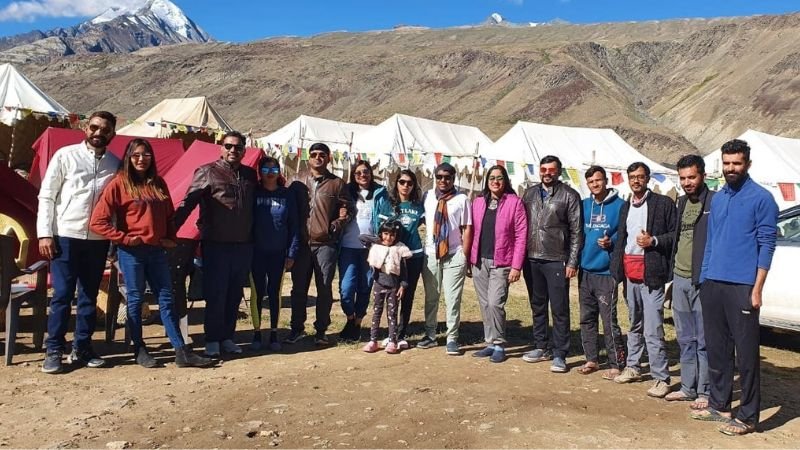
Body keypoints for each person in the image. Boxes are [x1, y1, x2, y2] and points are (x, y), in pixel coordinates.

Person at [89, 138, 212, 368]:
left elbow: (169, 216)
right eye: (136, 155)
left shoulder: (158, 183)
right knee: (135, 300)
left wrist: (170, 238)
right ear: (128, 158)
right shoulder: (119, 184)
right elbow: (98, 221)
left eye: (146, 155)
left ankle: (180, 351)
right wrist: (124, 238)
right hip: (131, 252)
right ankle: (139, 348)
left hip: (156, 251)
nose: (141, 159)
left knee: (166, 298)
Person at [691, 139, 778, 436]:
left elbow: (767, 245)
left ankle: (749, 417)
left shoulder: (762, 199)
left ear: (748, 164)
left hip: (742, 285)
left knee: (747, 354)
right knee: (717, 349)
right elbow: (712, 241)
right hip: (713, 283)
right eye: (726, 163)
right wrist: (703, 279)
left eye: (736, 163)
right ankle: (720, 404)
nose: (731, 168)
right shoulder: (719, 198)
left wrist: (757, 288)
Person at [37, 111, 121, 374]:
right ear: (86, 127)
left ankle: (82, 347)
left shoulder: (115, 164)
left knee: (89, 296)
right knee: (62, 295)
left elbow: (116, 206)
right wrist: (45, 234)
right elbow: (47, 196)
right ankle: (53, 349)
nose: (98, 133)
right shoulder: (65, 155)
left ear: (112, 134)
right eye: (94, 127)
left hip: (97, 240)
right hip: (65, 236)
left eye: (105, 130)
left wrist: (113, 240)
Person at [174, 131, 257, 357]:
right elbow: (188, 202)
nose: (233, 150)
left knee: (234, 293)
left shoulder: (250, 175)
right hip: (216, 244)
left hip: (243, 245)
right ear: (221, 148)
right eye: (229, 146)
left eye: (238, 147)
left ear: (244, 151)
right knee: (216, 293)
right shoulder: (207, 172)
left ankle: (228, 337)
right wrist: (170, 230)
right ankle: (212, 338)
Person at [610, 162, 676, 398]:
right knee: (634, 323)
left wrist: (654, 241)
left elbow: (674, 235)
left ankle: (661, 378)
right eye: (632, 177)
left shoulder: (662, 204)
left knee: (653, 327)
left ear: (648, 179)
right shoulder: (626, 206)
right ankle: (633, 366)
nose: (636, 180)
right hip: (630, 274)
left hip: (652, 275)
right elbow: (623, 240)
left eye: (640, 177)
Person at [283, 142, 352, 346]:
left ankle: (321, 330)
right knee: (298, 289)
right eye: (314, 154)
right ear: (308, 157)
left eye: (322, 154)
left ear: (328, 158)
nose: (318, 157)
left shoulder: (337, 183)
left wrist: (337, 224)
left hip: (325, 244)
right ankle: (296, 329)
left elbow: (347, 208)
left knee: (324, 289)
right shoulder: (295, 180)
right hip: (301, 245)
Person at [521, 155, 583, 373]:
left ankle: (560, 353)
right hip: (532, 258)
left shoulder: (569, 196)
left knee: (559, 308)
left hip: (557, 259)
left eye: (551, 170)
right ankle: (541, 346)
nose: (547, 173)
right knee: (537, 305)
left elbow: (577, 231)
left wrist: (572, 261)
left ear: (559, 171)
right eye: (544, 169)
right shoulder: (529, 194)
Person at [665, 155, 714, 403]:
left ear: (703, 175)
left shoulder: (715, 202)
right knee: (685, 338)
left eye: (691, 177)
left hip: (703, 281)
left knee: (704, 340)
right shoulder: (681, 202)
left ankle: (705, 391)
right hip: (680, 278)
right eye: (683, 178)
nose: (687, 182)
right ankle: (687, 387)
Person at [469, 165, 527, 363]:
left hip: (501, 261)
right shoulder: (477, 202)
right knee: (485, 304)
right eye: (492, 178)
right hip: (479, 260)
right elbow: (470, 231)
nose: (495, 181)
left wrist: (516, 266)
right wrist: (469, 258)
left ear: (506, 181)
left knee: (495, 303)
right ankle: (490, 342)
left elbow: (521, 235)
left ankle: (500, 344)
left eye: (500, 178)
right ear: (487, 181)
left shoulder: (515, 203)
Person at [417, 163, 473, 355]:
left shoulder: (462, 199)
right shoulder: (428, 197)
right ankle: (430, 335)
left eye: (447, 177)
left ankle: (452, 338)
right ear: (435, 177)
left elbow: (467, 228)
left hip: (454, 254)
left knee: (452, 298)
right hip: (431, 254)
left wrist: (464, 255)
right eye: (440, 177)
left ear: (453, 179)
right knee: (431, 297)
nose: (443, 180)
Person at [577, 166, 627, 378]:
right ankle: (591, 359)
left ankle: (616, 363)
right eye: (591, 182)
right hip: (585, 270)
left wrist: (611, 242)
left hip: (607, 272)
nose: (595, 185)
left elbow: (625, 235)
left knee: (608, 320)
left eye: (598, 180)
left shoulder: (620, 206)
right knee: (587, 318)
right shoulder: (584, 205)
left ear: (606, 181)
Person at [251, 156, 299, 351]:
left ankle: (273, 333)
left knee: (274, 293)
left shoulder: (286, 195)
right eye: (265, 169)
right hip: (256, 253)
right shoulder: (253, 192)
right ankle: (256, 332)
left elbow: (294, 226)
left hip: (278, 253)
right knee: (257, 292)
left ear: (279, 172)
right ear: (259, 172)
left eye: (274, 169)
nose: (270, 173)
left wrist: (292, 253)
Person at [373, 169, 425, 349]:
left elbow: (429, 224)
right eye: (402, 182)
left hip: (414, 255)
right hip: (392, 257)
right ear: (396, 183)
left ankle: (402, 334)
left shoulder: (418, 206)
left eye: (410, 183)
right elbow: (380, 231)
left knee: (408, 295)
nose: (406, 186)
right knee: (391, 294)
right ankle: (390, 333)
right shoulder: (388, 204)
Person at [338, 160, 386, 342]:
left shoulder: (379, 193)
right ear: (353, 175)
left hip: (370, 249)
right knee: (346, 289)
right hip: (348, 247)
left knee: (365, 287)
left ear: (371, 173)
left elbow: (386, 216)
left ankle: (357, 323)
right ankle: (350, 318)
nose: (362, 175)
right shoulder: (347, 192)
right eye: (358, 173)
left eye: (366, 171)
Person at [361, 220, 413, 354]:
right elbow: (361, 237)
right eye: (385, 234)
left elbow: (404, 272)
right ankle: (373, 340)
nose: (388, 238)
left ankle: (392, 341)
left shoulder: (399, 250)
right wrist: (378, 239)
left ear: (396, 236)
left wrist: (403, 286)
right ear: (380, 234)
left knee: (392, 315)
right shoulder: (376, 248)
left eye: (392, 235)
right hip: (378, 285)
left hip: (394, 287)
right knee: (376, 313)